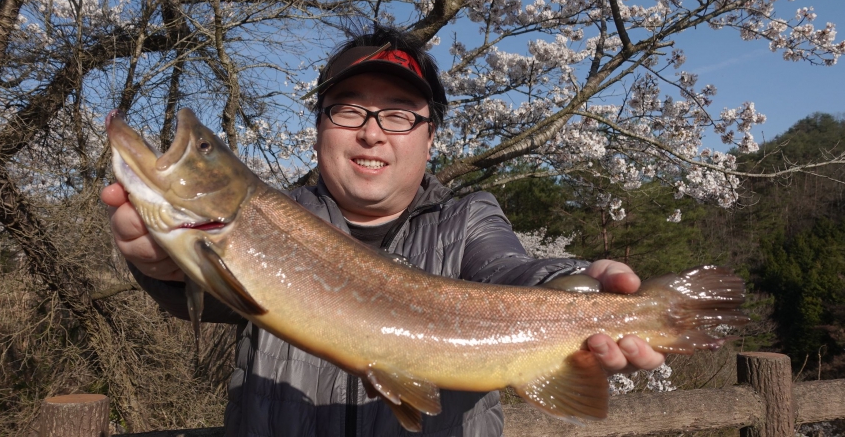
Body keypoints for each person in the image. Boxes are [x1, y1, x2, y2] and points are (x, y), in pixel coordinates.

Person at [101, 26, 665, 436]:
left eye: (399, 115)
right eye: (348, 111)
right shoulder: (275, 217)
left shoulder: (468, 220)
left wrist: (576, 283)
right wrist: (162, 267)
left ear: (430, 137)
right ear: (319, 128)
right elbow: (208, 292)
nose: (371, 133)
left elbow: (510, 269)